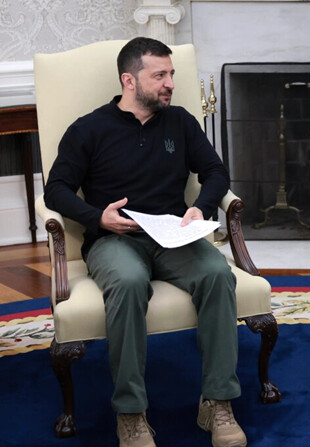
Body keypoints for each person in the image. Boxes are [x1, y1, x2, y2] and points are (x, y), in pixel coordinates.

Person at [44, 37, 246, 447]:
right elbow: (57, 190)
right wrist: (96, 216)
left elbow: (216, 173)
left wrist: (201, 208)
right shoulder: (89, 129)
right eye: (160, 75)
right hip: (115, 239)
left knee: (217, 275)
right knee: (129, 281)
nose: (170, 82)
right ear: (129, 80)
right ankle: (131, 413)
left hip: (174, 236)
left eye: (171, 73)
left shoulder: (182, 122)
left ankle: (218, 402)